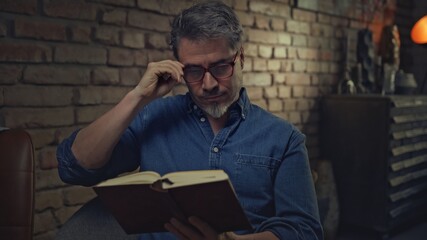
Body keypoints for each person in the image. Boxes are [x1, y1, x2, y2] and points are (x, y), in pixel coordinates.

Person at [56, 1, 323, 239]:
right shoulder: (153, 117)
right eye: (194, 70)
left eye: (220, 67)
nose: (208, 84)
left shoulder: (284, 138)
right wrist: (137, 97)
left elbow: (304, 230)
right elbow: (74, 167)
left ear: (240, 58)